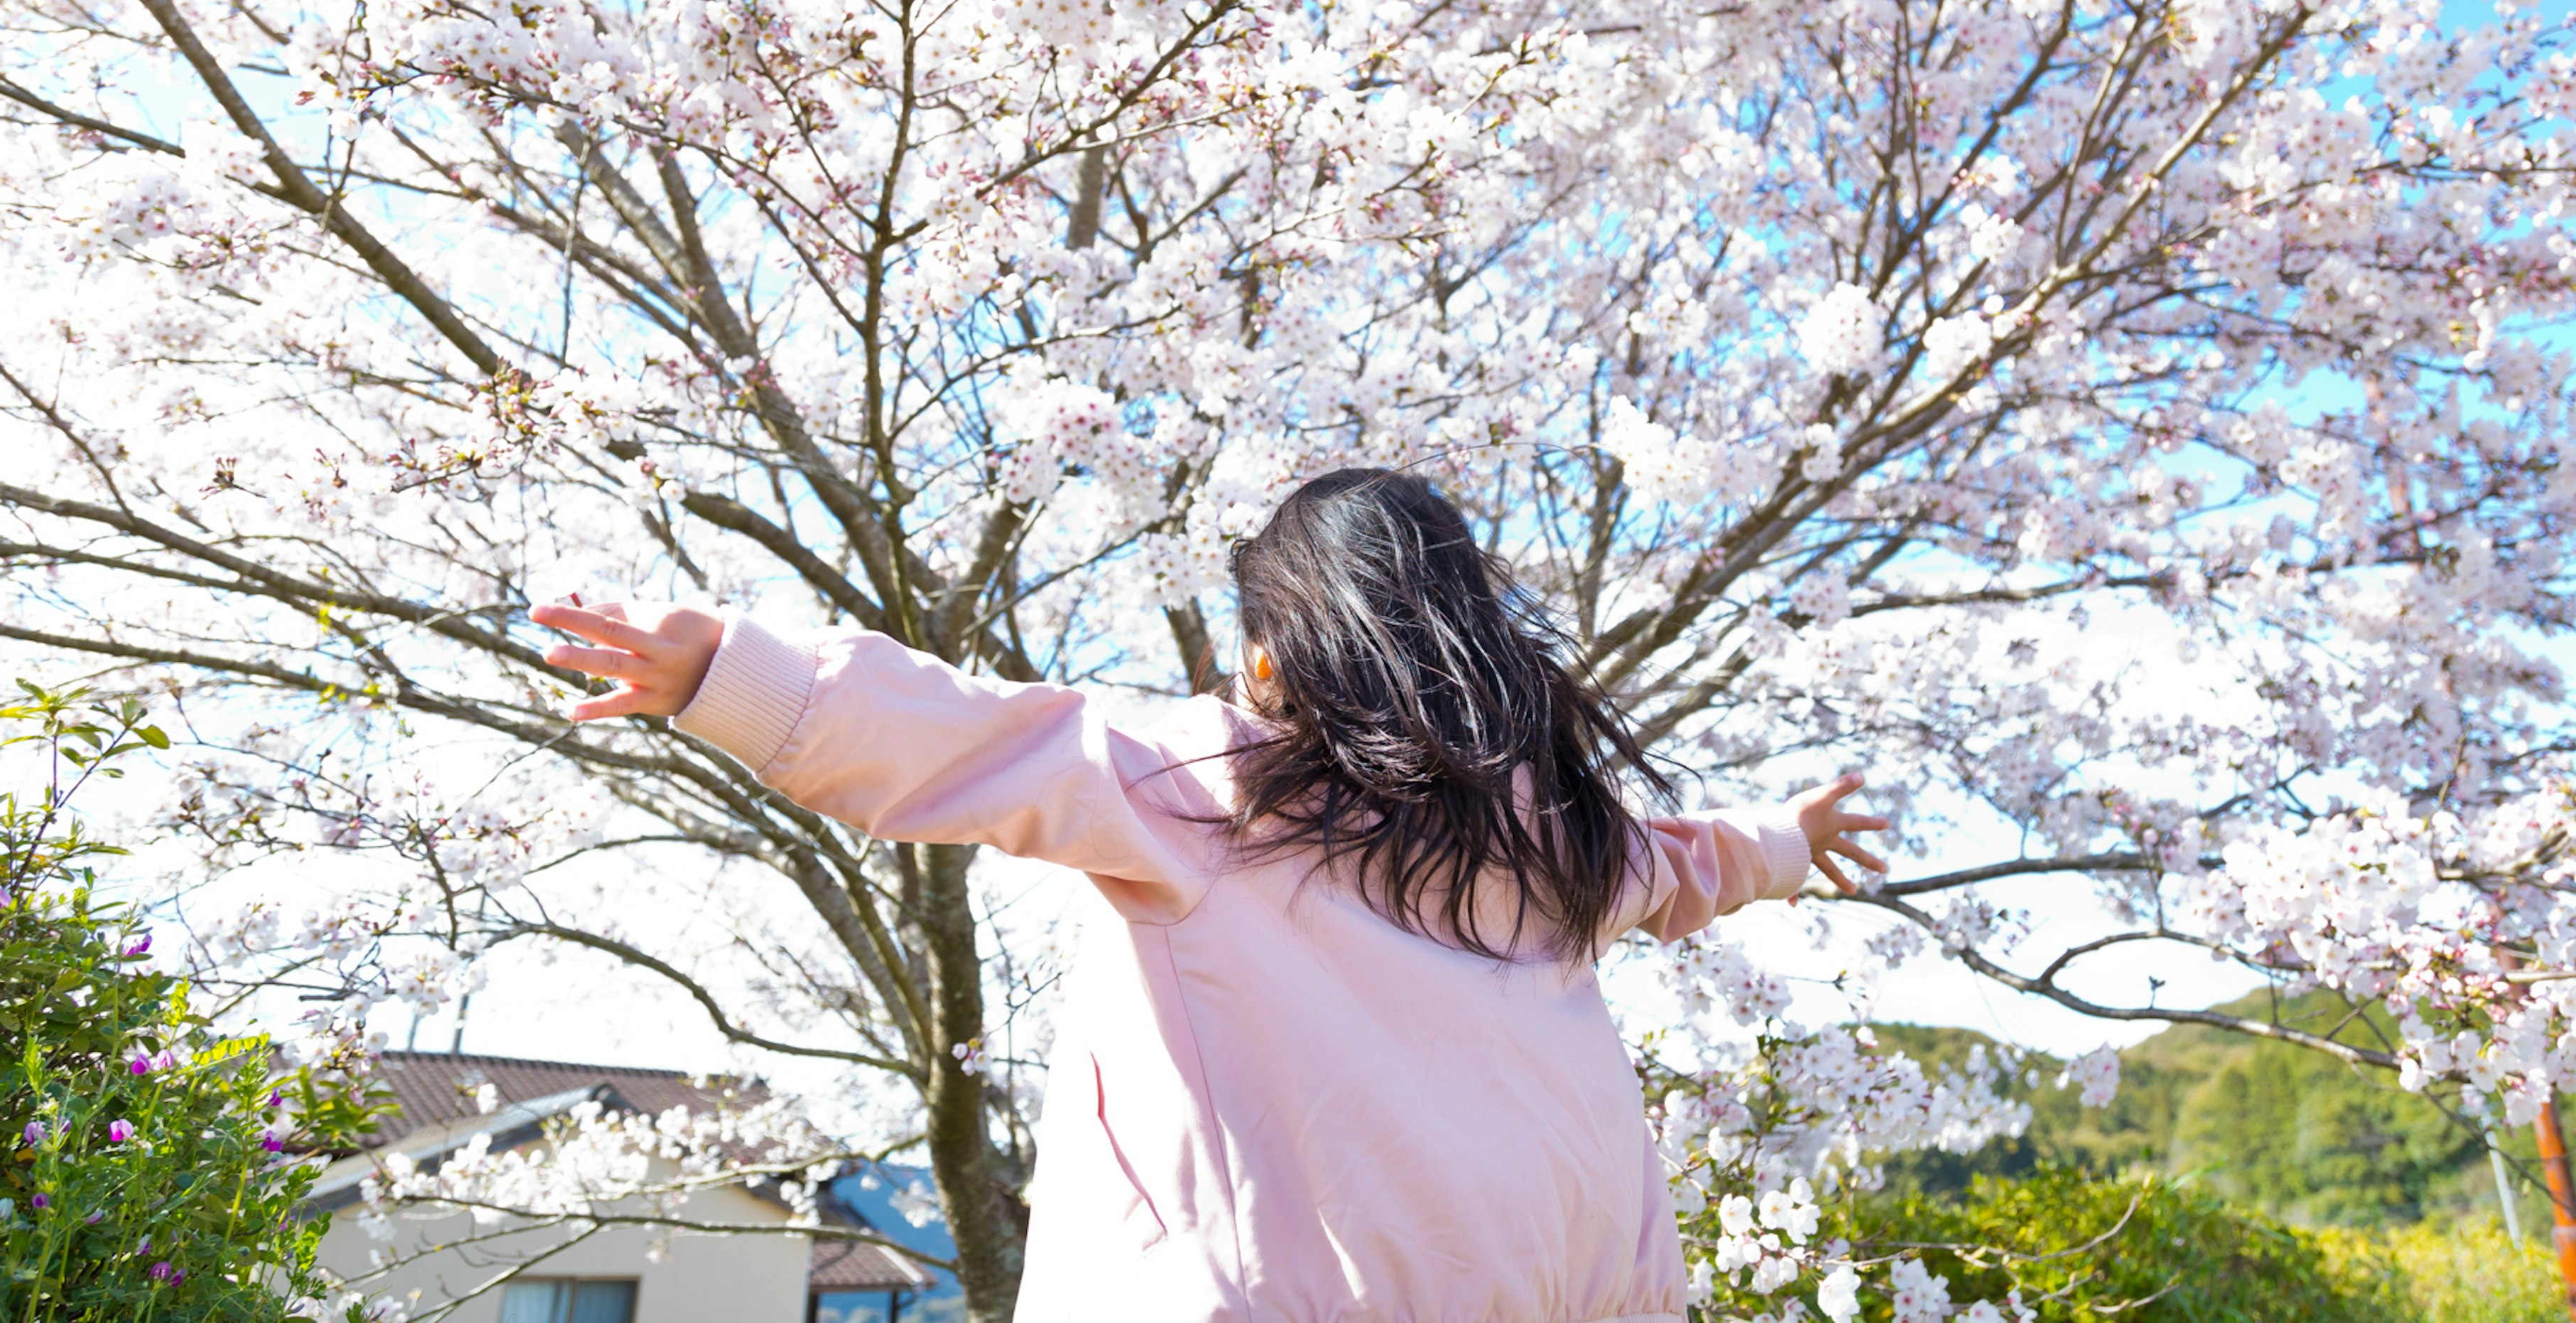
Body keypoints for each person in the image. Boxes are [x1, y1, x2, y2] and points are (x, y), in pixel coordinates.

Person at [533, 467, 1887, 1323]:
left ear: (1276, 658)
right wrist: (1788, 839)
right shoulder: (1556, 830)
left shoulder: (1223, 785)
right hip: (1582, 1284)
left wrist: (730, 677)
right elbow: (1688, 865)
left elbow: (978, 739)